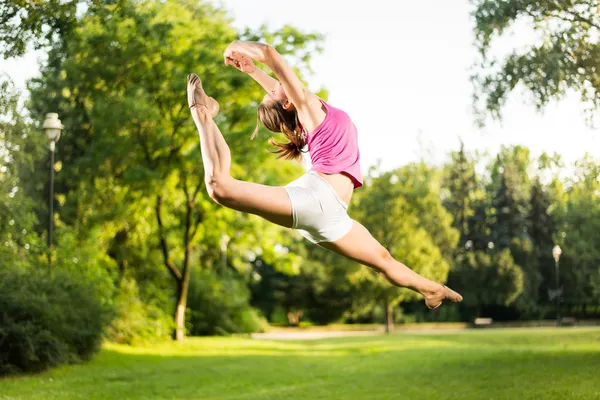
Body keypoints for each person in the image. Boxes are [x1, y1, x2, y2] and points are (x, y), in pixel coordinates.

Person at [187, 40, 462, 309]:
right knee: (219, 187)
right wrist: (237, 45)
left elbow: (277, 88)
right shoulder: (306, 107)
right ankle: (203, 114)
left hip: (333, 213)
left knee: (384, 260)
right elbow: (270, 54)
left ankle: (431, 290)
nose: (277, 83)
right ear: (287, 103)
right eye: (274, 90)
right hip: (316, 198)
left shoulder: (310, 110)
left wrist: (251, 71)